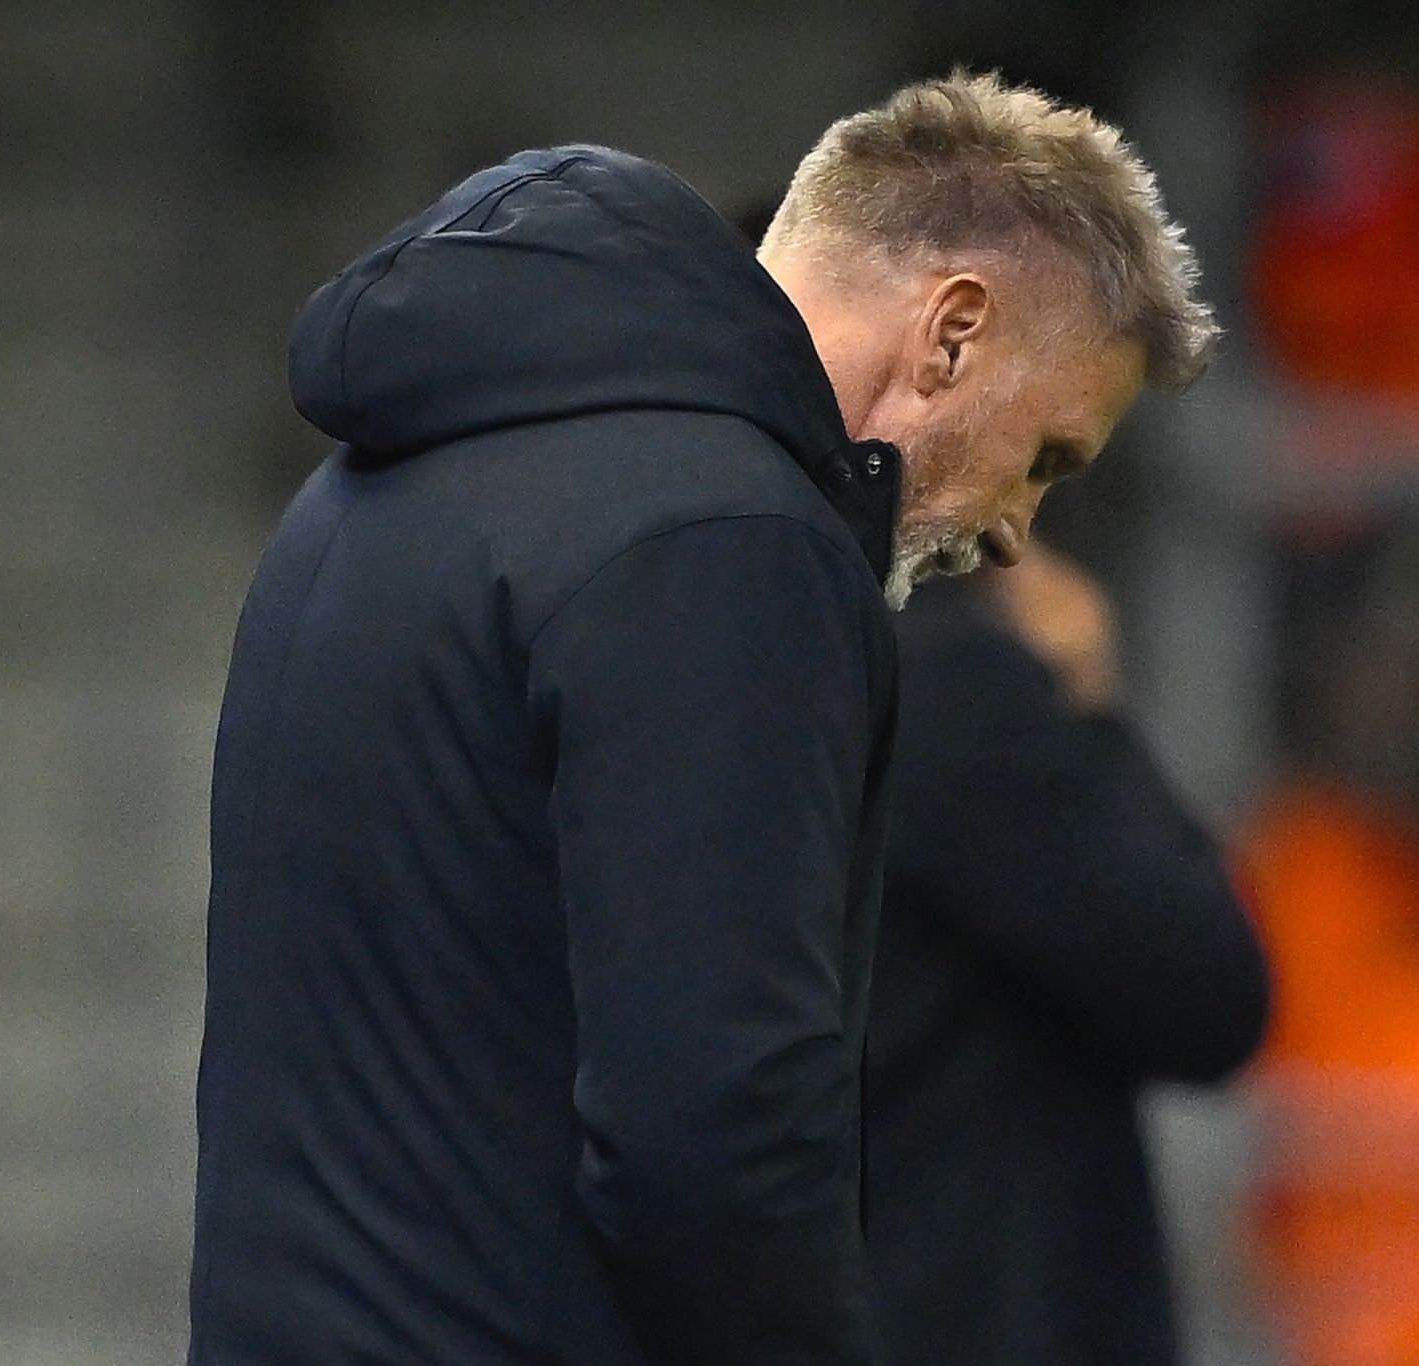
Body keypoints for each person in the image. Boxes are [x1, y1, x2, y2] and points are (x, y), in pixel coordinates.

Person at [187, 72, 1215, 1365]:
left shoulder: (390, 470)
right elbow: (713, 1126)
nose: (1016, 530)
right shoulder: (731, 541)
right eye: (1047, 456)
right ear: (952, 331)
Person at [867, 543, 1271, 1365]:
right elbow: (1207, 992)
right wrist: (1088, 701)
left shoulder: (749, 649)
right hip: (970, 1316)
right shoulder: (951, 682)